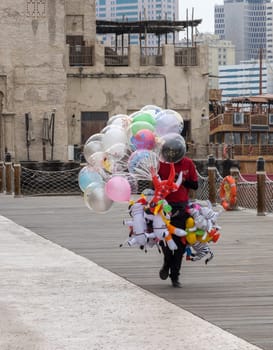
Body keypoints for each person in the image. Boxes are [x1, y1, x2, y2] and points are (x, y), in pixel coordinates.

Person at [158, 156, 198, 288]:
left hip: (181, 208)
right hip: (164, 207)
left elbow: (195, 185)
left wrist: (182, 180)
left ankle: (175, 276)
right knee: (166, 241)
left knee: (180, 245)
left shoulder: (188, 162)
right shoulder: (161, 163)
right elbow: (154, 184)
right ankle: (167, 262)